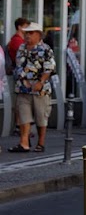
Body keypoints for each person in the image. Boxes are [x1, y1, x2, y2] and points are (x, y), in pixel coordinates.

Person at [12, 22, 55, 153]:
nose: (27, 36)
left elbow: (49, 67)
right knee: (24, 116)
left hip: (40, 90)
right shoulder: (22, 48)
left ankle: (40, 143)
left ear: (38, 34)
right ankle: (24, 143)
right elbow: (18, 65)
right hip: (23, 88)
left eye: (30, 33)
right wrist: (24, 79)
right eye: (26, 33)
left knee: (41, 117)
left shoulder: (46, 49)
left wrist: (41, 82)